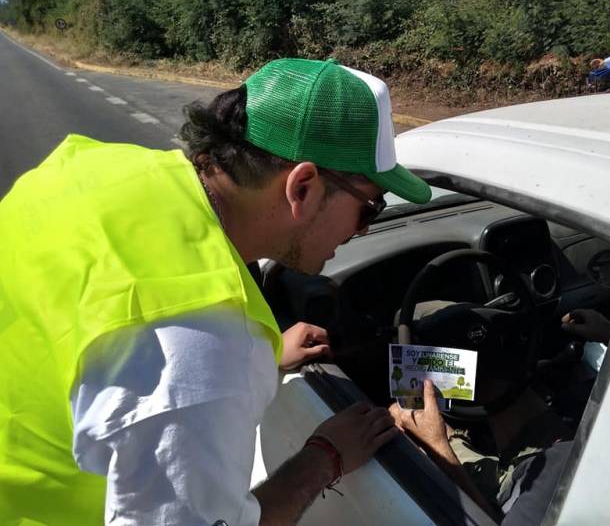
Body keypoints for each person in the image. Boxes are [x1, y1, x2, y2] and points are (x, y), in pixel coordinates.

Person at [0, 58, 432, 525]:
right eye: (368, 208)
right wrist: (326, 456)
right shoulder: (202, 348)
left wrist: (261, 359)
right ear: (303, 187)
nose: (361, 231)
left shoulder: (97, 167)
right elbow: (176, 364)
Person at [389, 381, 572, 525]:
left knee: (402, 426)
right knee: (494, 386)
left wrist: (437, 446)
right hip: (550, 464)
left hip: (501, 505)